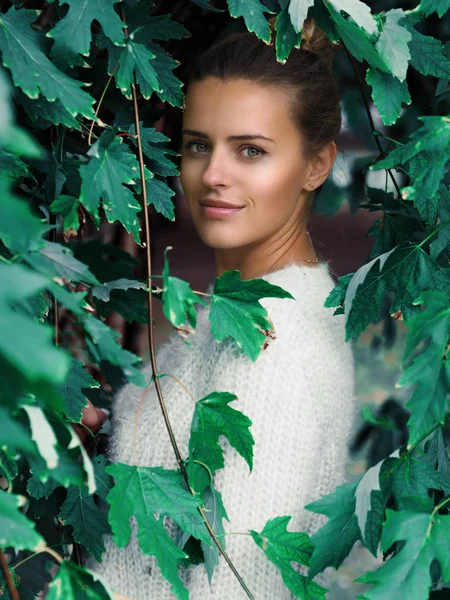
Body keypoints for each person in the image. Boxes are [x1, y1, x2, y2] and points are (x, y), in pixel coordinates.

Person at [83, 17, 357, 599]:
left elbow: (238, 586)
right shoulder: (249, 309)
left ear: (317, 164)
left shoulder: (273, 347)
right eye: (198, 145)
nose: (213, 176)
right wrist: (112, 442)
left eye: (250, 151)